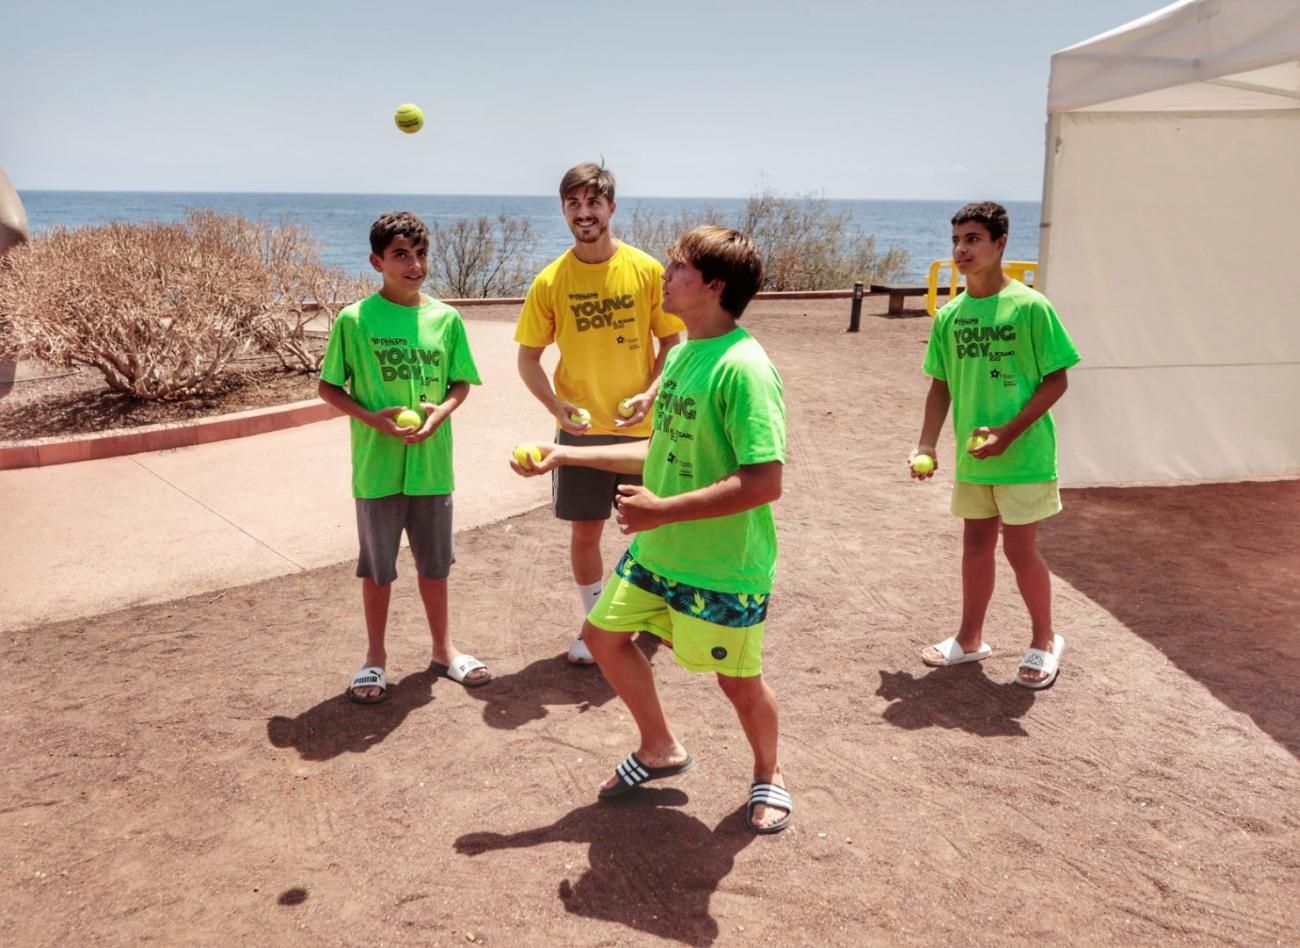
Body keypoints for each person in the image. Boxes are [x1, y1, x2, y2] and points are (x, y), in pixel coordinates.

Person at [510, 226, 793, 834]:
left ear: (713, 285)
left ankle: (768, 774)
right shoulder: (688, 353)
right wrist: (567, 456)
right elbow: (659, 452)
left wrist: (660, 510)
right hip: (659, 553)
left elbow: (764, 482)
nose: (664, 274)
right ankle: (659, 746)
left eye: (679, 266)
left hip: (722, 563)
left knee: (738, 683)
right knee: (605, 637)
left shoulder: (744, 369)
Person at [514, 162, 684, 666]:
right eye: (573, 204)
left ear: (611, 207)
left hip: (643, 432)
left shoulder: (647, 270)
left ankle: (655, 615)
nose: (583, 213)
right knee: (585, 531)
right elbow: (527, 357)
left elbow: (671, 341)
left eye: (593, 203)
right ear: (564, 210)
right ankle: (595, 626)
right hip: (581, 436)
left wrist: (654, 391)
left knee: (653, 528)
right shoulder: (550, 281)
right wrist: (555, 406)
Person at [318, 211, 490, 703]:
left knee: (435, 566)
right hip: (377, 468)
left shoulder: (445, 318)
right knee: (378, 569)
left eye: (420, 255)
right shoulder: (355, 320)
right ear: (377, 261)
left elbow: (460, 382)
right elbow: (329, 386)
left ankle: (444, 650)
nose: (414, 265)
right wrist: (372, 418)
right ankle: (374, 659)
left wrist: (441, 414)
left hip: (433, 467)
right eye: (400, 255)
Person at [910, 201, 1080, 689]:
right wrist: (927, 444)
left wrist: (1009, 433)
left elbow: (1056, 380)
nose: (962, 250)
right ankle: (970, 638)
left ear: (1000, 243)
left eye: (973, 239)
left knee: (1020, 550)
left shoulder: (1031, 306)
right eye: (957, 241)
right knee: (976, 545)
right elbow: (940, 384)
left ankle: (1046, 640)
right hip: (974, 454)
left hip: (1023, 455)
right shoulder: (950, 316)